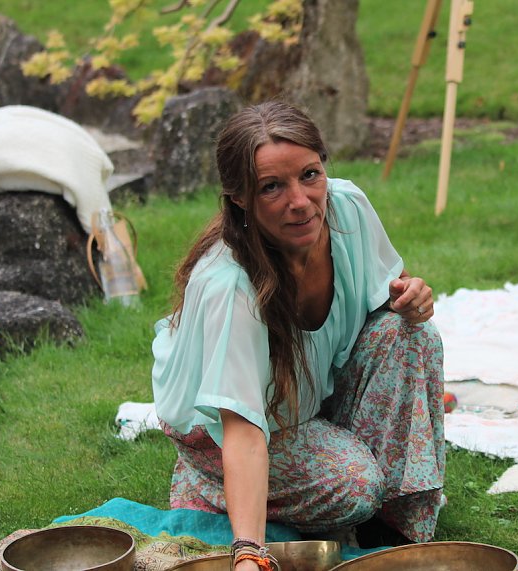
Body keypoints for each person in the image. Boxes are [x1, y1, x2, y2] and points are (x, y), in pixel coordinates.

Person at [151, 101, 445, 570]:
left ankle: (392, 527)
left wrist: (415, 298)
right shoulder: (232, 286)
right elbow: (243, 430)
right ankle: (205, 483)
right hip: (222, 429)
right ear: (240, 197)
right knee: (356, 486)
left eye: (309, 174)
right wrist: (249, 553)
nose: (301, 201)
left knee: (412, 334)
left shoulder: (347, 205)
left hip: (305, 396)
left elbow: (392, 292)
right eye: (272, 187)